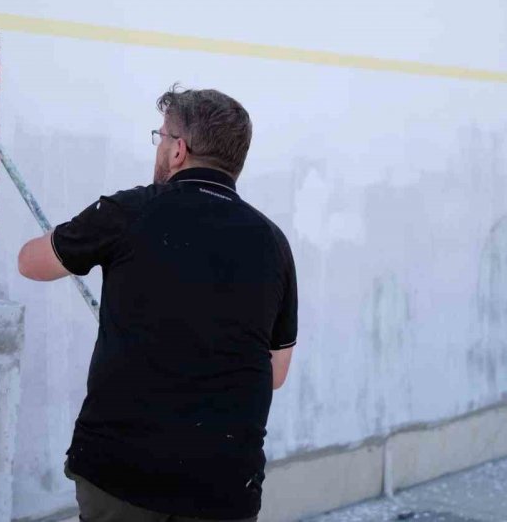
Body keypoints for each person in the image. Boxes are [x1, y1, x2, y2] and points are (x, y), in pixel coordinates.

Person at [18, 85, 298, 521]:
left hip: (122, 476)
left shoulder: (129, 211)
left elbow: (30, 264)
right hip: (224, 486)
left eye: (161, 136)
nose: (160, 146)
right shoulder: (273, 243)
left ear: (178, 151)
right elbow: (275, 373)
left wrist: (78, 239)